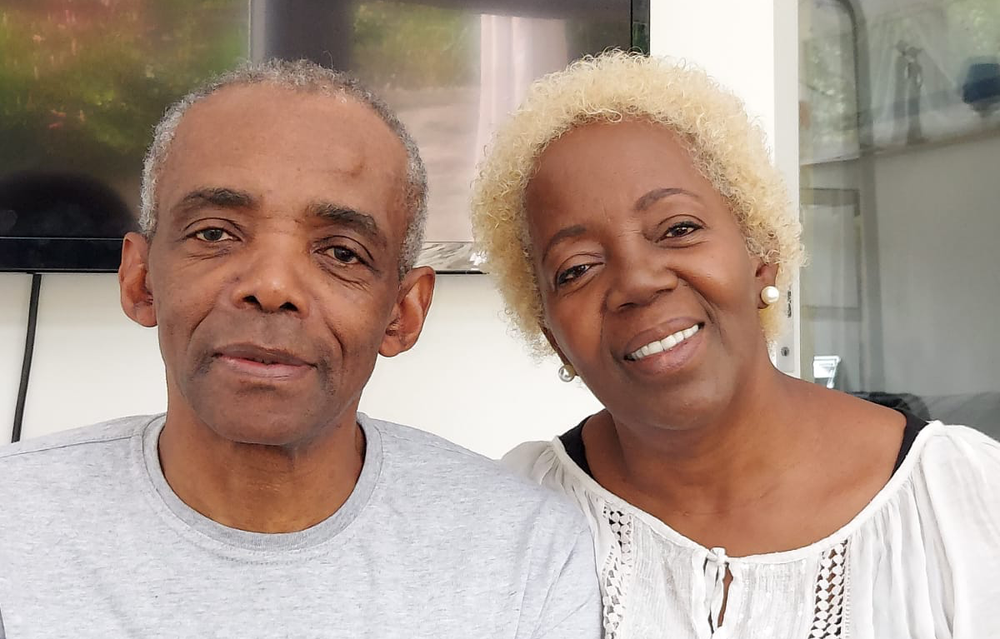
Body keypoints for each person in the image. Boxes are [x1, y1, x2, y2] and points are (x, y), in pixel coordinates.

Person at [0, 59, 601, 639]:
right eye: (215, 234)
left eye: (341, 252)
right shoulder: (13, 526)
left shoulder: (525, 554)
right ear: (140, 279)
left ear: (404, 312)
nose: (272, 286)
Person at [470, 51, 1000, 638]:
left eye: (679, 229)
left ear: (760, 256)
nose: (639, 281)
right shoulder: (510, 518)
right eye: (577, 268)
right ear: (554, 337)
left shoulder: (965, 507)